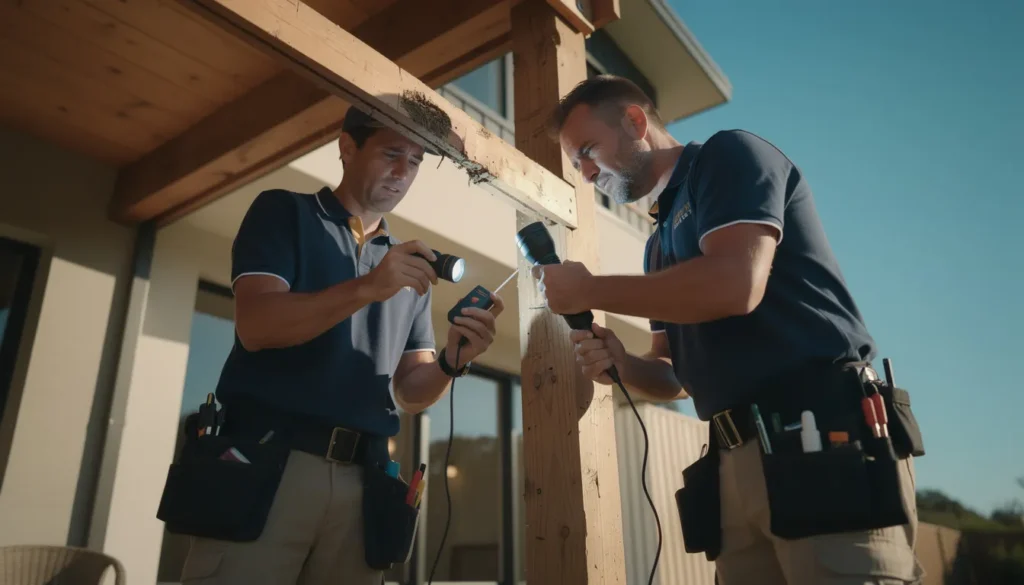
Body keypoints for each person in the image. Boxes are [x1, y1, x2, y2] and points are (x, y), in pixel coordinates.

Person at [534, 75, 926, 585]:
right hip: (733, 458)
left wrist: (590, 290)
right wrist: (624, 365)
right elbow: (673, 374)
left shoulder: (729, 156)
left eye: (588, 151)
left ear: (634, 121)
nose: (586, 174)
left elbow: (736, 284)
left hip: (819, 433)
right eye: (576, 164)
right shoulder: (657, 245)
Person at [176, 107, 504, 584]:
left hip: (364, 482)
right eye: (391, 153)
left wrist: (454, 360)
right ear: (347, 148)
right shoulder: (284, 211)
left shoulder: (410, 268)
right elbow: (257, 325)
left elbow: (411, 391)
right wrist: (368, 287)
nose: (403, 172)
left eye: (414, 161)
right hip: (269, 462)